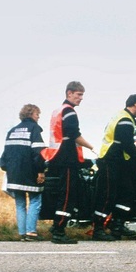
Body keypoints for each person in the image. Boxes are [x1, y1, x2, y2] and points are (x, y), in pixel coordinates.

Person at [91, 94, 136, 241]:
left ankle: (117, 226)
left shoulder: (120, 116)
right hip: (110, 160)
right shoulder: (126, 120)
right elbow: (127, 145)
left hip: (115, 161)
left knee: (126, 193)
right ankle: (98, 229)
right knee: (107, 195)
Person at [46, 81, 94, 244]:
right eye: (79, 94)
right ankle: (59, 230)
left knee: (64, 193)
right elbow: (75, 135)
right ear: (69, 93)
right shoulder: (70, 112)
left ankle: (56, 226)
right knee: (67, 195)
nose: (81, 98)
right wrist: (92, 148)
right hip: (67, 158)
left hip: (56, 157)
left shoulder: (57, 111)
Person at [0, 104, 46, 241]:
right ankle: (31, 232)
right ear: (31, 114)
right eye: (37, 114)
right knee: (35, 200)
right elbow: (39, 153)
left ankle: (22, 233)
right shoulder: (34, 129)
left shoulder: (12, 131)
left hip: (14, 174)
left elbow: (4, 156)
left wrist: (8, 169)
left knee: (20, 203)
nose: (38, 117)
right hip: (30, 173)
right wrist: (41, 171)